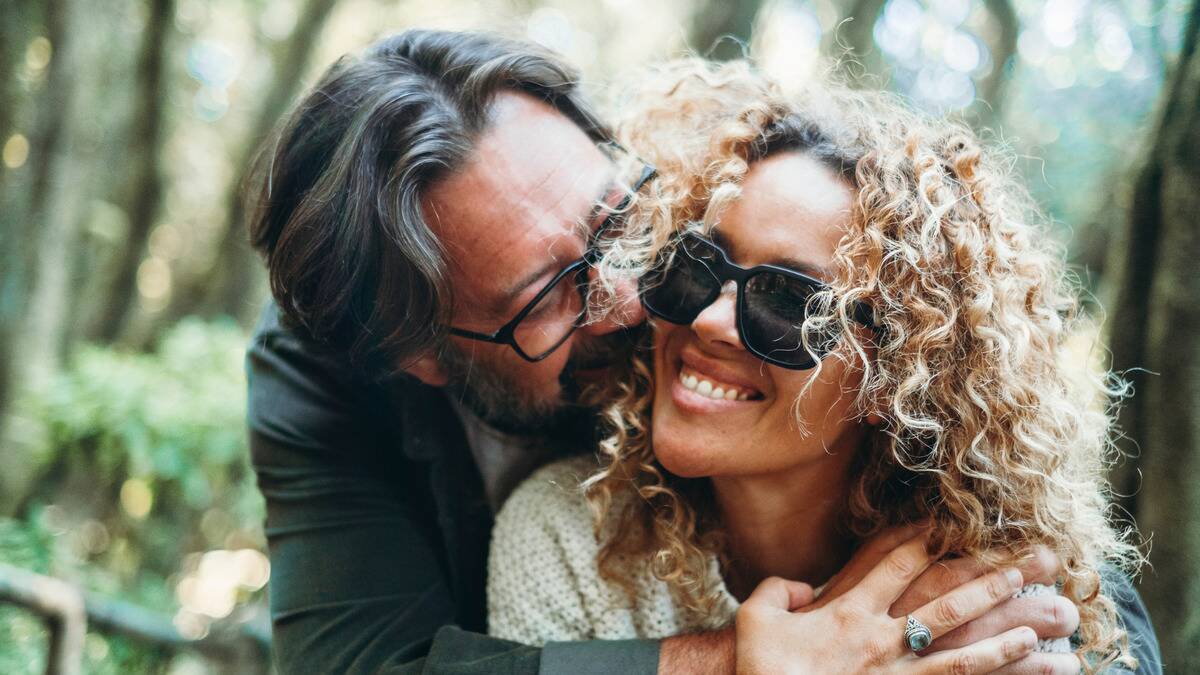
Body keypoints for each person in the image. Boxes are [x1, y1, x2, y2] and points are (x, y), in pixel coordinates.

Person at [244, 29, 1152, 674]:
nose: (630, 294)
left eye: (619, 222)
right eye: (545, 297)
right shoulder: (346, 389)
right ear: (424, 357)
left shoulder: (724, 190)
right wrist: (758, 663)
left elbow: (1024, 496)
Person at [487, 59, 1161, 674]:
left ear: (892, 375)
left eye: (789, 302)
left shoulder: (991, 597)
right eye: (696, 265)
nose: (709, 320)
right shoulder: (570, 535)